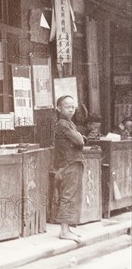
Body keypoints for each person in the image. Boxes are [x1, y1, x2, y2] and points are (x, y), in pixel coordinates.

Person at [53, 95, 85, 243]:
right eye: (67, 106)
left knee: (72, 196)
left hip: (74, 162)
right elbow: (79, 140)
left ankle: (68, 228)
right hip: (68, 163)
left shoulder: (70, 124)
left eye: (73, 106)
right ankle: (64, 231)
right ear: (59, 108)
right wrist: (79, 137)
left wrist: (79, 137)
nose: (71, 109)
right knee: (67, 196)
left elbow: (80, 140)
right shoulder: (62, 124)